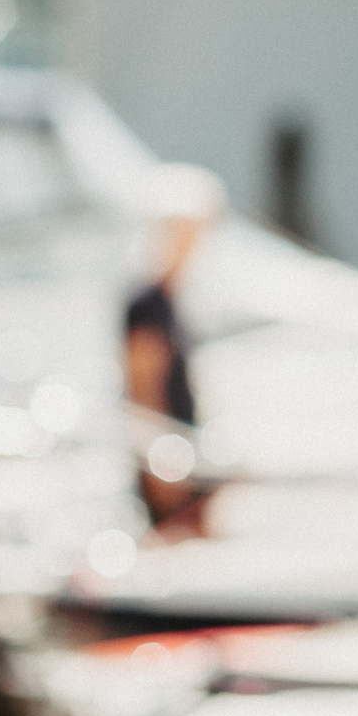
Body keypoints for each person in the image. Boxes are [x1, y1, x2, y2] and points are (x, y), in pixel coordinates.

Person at [124, 162, 223, 529]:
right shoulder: (147, 305)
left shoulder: (171, 301)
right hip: (168, 474)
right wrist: (163, 471)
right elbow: (144, 393)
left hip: (184, 462)